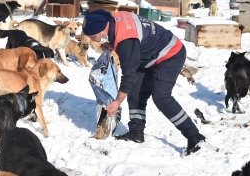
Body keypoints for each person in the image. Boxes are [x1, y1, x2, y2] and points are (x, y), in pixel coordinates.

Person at [81, 9, 208, 155]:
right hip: (149, 56)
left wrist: (117, 102)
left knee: (162, 97)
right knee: (135, 92)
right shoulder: (116, 18)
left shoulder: (126, 41)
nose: (92, 40)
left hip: (170, 54)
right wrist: (113, 44)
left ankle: (194, 137)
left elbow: (129, 75)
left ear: (102, 29)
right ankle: (136, 133)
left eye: (92, 36)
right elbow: (131, 40)